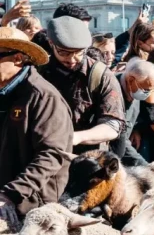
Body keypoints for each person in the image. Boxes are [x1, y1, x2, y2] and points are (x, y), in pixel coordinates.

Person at [0, 27, 72, 229]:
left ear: (18, 58)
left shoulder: (43, 96)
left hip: (30, 207)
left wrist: (10, 194)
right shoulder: (4, 92)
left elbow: (51, 155)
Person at [41, 16, 125, 155]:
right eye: (64, 52)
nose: (72, 59)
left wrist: (77, 137)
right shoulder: (38, 71)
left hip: (85, 160)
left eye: (78, 52)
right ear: (51, 43)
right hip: (43, 157)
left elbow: (113, 124)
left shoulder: (100, 75)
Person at [108, 60, 154, 167]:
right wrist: (145, 166)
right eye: (146, 90)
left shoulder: (134, 89)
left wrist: (136, 128)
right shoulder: (111, 90)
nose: (148, 94)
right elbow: (119, 136)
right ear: (131, 80)